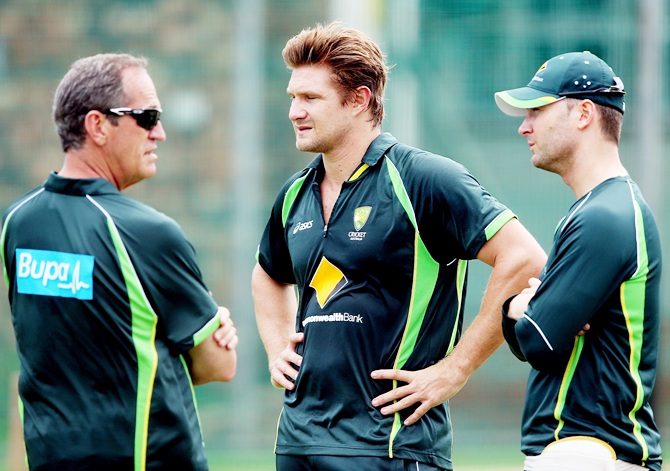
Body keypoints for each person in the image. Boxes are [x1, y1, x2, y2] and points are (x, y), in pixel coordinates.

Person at [252, 21, 547, 471]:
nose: (294, 111)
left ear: (359, 99)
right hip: (297, 444)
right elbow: (268, 273)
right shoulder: (294, 194)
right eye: (293, 97)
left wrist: (457, 368)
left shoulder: (424, 179)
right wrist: (277, 348)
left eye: (310, 98)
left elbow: (524, 257)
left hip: (390, 446)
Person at [0, 53, 238, 471]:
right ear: (97, 126)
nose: (159, 133)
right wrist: (211, 320)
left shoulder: (17, 223)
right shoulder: (148, 233)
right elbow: (219, 364)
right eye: (146, 116)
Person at [495, 51, 662, 471]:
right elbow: (536, 332)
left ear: (584, 113)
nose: (524, 125)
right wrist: (522, 309)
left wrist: (518, 308)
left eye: (537, 109)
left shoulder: (604, 217)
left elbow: (538, 340)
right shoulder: (601, 208)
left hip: (590, 452)